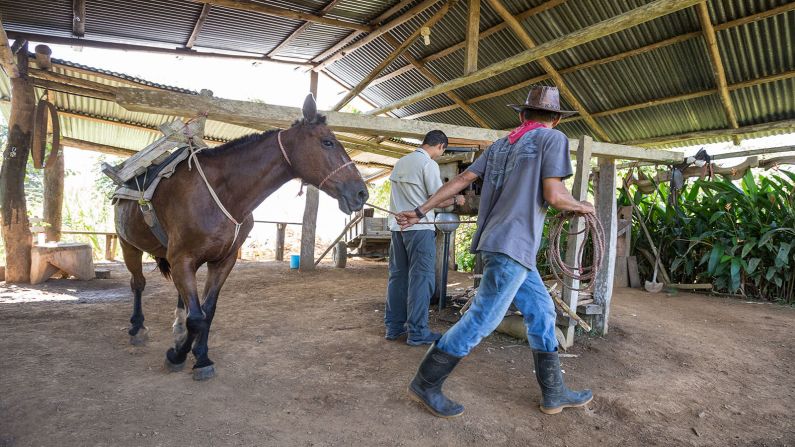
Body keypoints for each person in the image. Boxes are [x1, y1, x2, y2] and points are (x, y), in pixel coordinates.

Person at [397, 86, 595, 417]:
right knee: (483, 318)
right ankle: (426, 382)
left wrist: (420, 211)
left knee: (542, 313)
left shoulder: (501, 145)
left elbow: (462, 180)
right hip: (513, 247)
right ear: (557, 120)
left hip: (504, 246)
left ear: (522, 116)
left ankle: (554, 392)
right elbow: (555, 195)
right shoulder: (553, 140)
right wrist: (582, 206)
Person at [384, 130, 464, 346]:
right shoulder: (428, 164)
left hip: (397, 229)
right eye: (442, 151)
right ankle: (417, 332)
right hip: (419, 229)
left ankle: (393, 327)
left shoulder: (401, 162)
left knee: (398, 278)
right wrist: (456, 199)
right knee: (421, 280)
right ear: (440, 146)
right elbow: (438, 200)